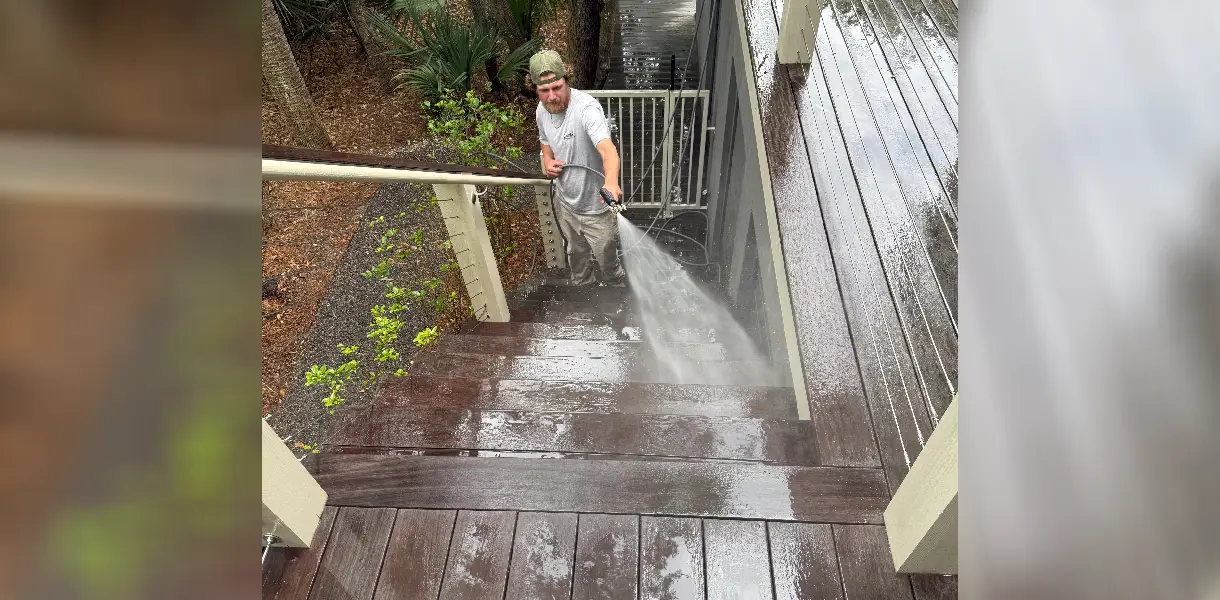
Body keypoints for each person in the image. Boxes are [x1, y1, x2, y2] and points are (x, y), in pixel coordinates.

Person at [529, 50, 627, 286]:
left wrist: (611, 182)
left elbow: (608, 150)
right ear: (535, 89)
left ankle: (616, 286)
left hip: (596, 208)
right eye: (544, 90)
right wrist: (547, 159)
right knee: (575, 252)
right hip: (565, 203)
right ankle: (582, 287)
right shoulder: (541, 111)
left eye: (557, 87)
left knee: (607, 257)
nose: (552, 96)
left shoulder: (586, 109)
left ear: (567, 80)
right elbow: (545, 140)